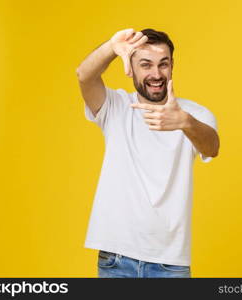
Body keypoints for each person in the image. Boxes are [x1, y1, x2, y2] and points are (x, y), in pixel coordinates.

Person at [76, 28, 220, 278]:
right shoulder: (116, 107)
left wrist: (185, 122)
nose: (156, 74)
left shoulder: (194, 114)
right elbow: (84, 76)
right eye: (146, 64)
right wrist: (112, 47)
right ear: (130, 67)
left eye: (163, 64)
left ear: (172, 65)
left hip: (170, 263)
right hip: (116, 259)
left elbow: (212, 148)